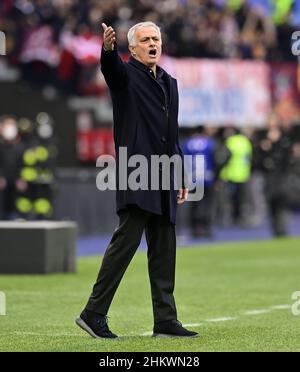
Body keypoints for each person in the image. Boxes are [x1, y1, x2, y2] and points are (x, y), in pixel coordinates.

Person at [75, 22, 198, 339]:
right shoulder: (125, 75)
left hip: (164, 174)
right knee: (125, 245)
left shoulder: (170, 83)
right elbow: (110, 68)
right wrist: (107, 49)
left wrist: (181, 171)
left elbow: (172, 134)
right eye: (145, 40)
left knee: (164, 248)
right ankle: (93, 313)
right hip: (136, 171)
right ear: (133, 49)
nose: (152, 43)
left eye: (156, 38)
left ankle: (166, 320)